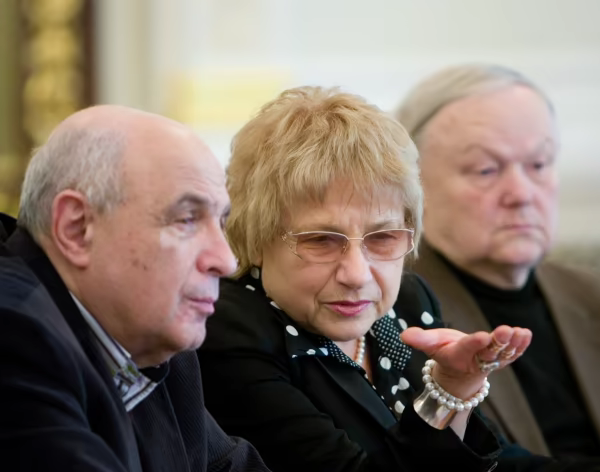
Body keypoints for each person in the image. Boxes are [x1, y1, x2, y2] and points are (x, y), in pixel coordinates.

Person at [198, 86, 599, 471]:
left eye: (383, 238)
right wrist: (449, 393)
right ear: (256, 237)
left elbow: (492, 462)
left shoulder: (408, 303)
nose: (357, 275)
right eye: (321, 241)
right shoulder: (227, 330)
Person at [0, 105, 272, 471]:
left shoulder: (154, 342)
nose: (226, 261)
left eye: (221, 223)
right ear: (77, 228)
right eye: (187, 219)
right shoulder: (15, 337)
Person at [394, 64, 600, 459]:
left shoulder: (590, 294)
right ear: (413, 186)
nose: (521, 193)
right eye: (486, 169)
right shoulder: (392, 313)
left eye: (539, 164)